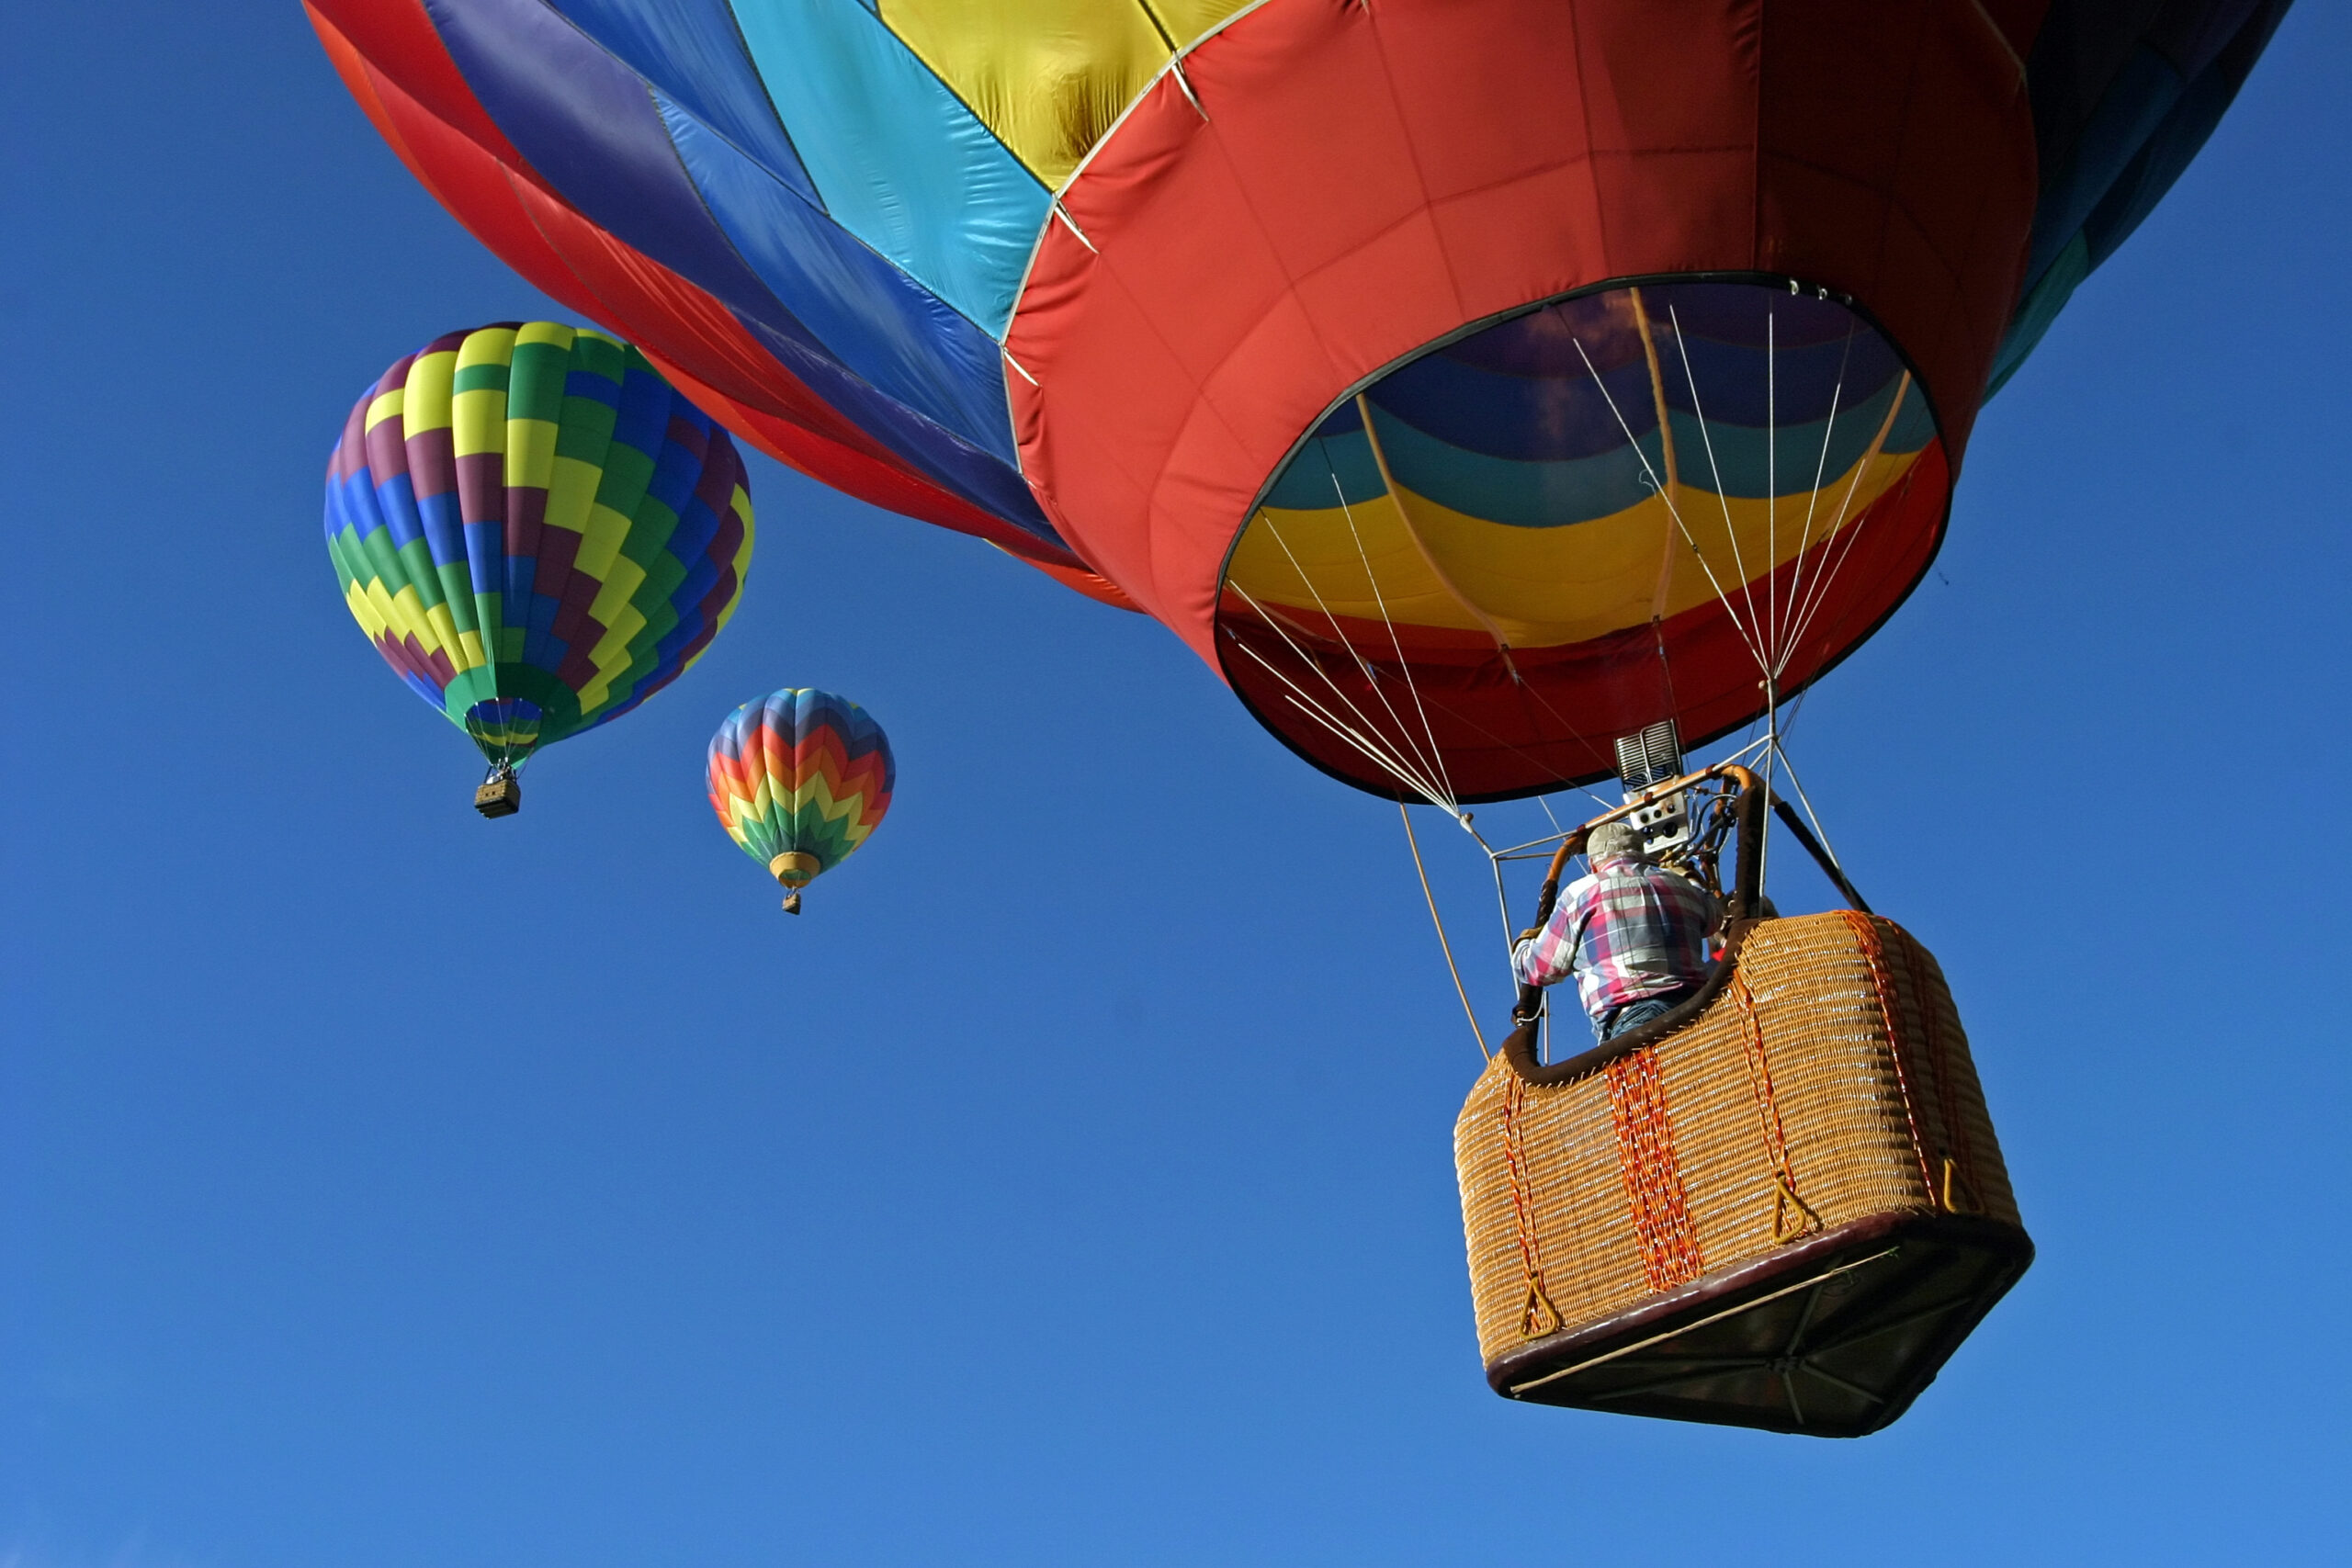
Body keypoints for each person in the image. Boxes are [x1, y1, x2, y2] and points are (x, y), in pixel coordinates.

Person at [1514, 819, 1724, 1040]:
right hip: (1702, 1012)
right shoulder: (1680, 886)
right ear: (1641, 854)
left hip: (1635, 1020)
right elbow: (1716, 916)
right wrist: (1687, 876)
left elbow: (1539, 969)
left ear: (1593, 865)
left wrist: (1523, 943)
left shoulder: (1581, 892)